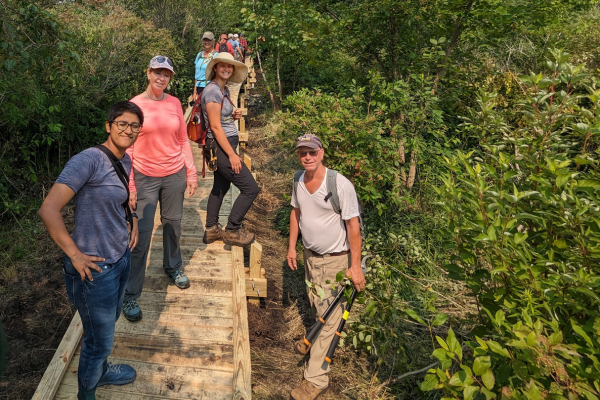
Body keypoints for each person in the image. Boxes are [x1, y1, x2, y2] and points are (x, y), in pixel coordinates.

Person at [39, 101, 143, 400]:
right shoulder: (88, 160)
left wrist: (132, 221)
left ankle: (102, 371)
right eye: (122, 123)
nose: (128, 130)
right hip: (95, 269)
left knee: (105, 328)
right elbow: (49, 209)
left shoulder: (125, 161)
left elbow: (123, 200)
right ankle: (87, 393)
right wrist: (75, 254)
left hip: (120, 258)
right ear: (108, 126)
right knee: (98, 341)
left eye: (134, 126)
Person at [286, 134, 366, 400]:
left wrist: (355, 266)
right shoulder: (298, 179)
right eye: (302, 153)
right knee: (319, 307)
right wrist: (291, 247)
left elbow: (353, 225)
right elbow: (296, 213)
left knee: (331, 319)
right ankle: (315, 344)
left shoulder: (339, 184)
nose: (307, 157)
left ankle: (315, 380)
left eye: (312, 152)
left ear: (321, 153)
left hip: (335, 261)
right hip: (311, 257)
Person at [122, 55, 198, 322]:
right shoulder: (135, 105)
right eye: (157, 72)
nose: (161, 78)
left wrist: (191, 171)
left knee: (173, 225)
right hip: (144, 176)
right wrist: (130, 184)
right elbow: (127, 146)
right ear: (148, 73)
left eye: (166, 74)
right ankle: (130, 293)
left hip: (174, 173)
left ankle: (173, 267)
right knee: (139, 237)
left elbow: (183, 138)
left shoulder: (175, 102)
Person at [201, 52, 258, 246]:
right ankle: (233, 229)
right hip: (220, 147)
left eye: (230, 66)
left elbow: (218, 119)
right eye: (222, 66)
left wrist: (232, 117)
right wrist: (233, 155)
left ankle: (211, 230)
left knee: (220, 187)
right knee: (250, 188)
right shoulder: (213, 91)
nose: (227, 69)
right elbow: (215, 127)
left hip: (224, 143)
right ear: (215, 68)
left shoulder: (222, 90)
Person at [194, 31, 216, 99]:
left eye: (209, 40)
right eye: (205, 40)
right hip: (199, 87)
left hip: (210, 87)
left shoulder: (216, 56)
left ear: (213, 41)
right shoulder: (199, 55)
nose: (207, 42)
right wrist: (194, 91)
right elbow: (197, 74)